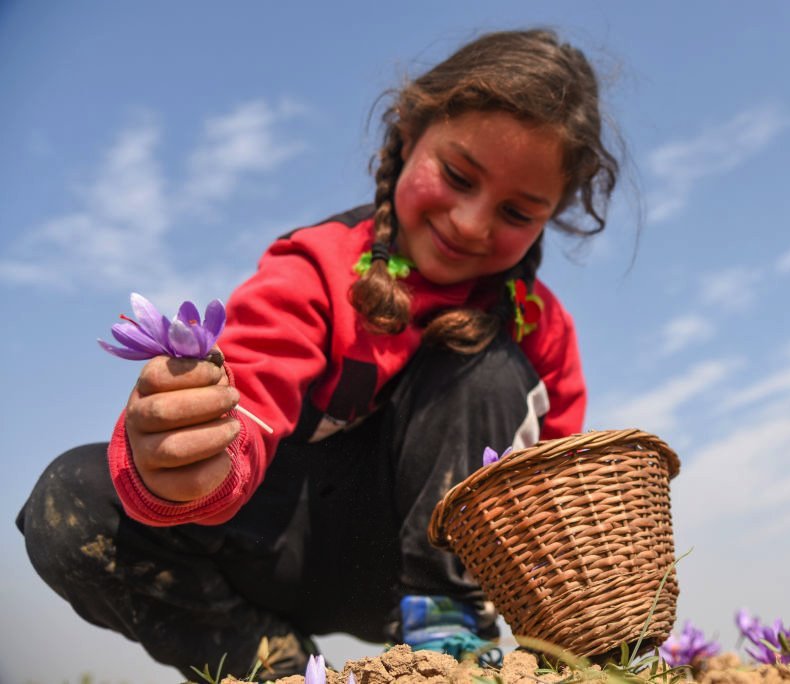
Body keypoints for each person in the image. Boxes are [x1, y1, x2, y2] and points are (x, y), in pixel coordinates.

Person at [17, 27, 621, 678]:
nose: (471, 223)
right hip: (264, 541)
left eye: (517, 212)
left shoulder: (541, 333)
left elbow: (557, 505)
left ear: (551, 215)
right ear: (408, 131)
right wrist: (195, 462)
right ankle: (269, 662)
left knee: (487, 361)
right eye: (456, 175)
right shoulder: (316, 268)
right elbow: (248, 395)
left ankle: (449, 644)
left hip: (411, 569)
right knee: (68, 506)